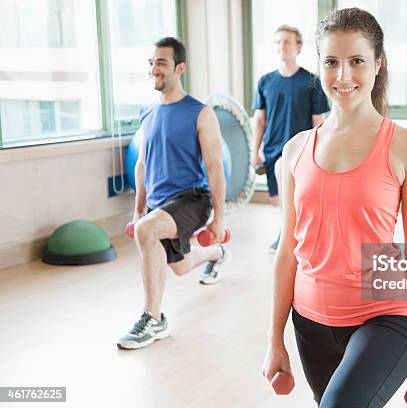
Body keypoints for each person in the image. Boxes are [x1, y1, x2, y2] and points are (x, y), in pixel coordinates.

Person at [262, 8, 407, 407]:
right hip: (309, 321)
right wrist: (274, 339)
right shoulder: (295, 151)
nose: (343, 76)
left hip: (385, 316)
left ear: (378, 64)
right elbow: (287, 252)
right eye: (331, 62)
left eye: (357, 61)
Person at [117, 37, 229, 350]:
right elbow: (142, 164)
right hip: (159, 203)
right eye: (151, 63)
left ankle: (153, 318)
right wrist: (138, 209)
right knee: (179, 267)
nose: (154, 69)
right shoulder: (147, 112)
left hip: (192, 199)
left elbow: (215, 167)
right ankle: (216, 256)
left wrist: (219, 217)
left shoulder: (200, 113)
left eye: (162, 63)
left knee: (147, 231)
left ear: (179, 68)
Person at [251, 24, 329, 251]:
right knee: (278, 200)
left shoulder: (311, 82)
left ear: (298, 47)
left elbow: (319, 122)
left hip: (302, 150)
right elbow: (259, 120)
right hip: (272, 149)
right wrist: (254, 152)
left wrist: (321, 153)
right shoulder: (265, 82)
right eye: (278, 42)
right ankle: (294, 233)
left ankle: (289, 236)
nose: (281, 46)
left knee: (296, 199)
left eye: (286, 42)